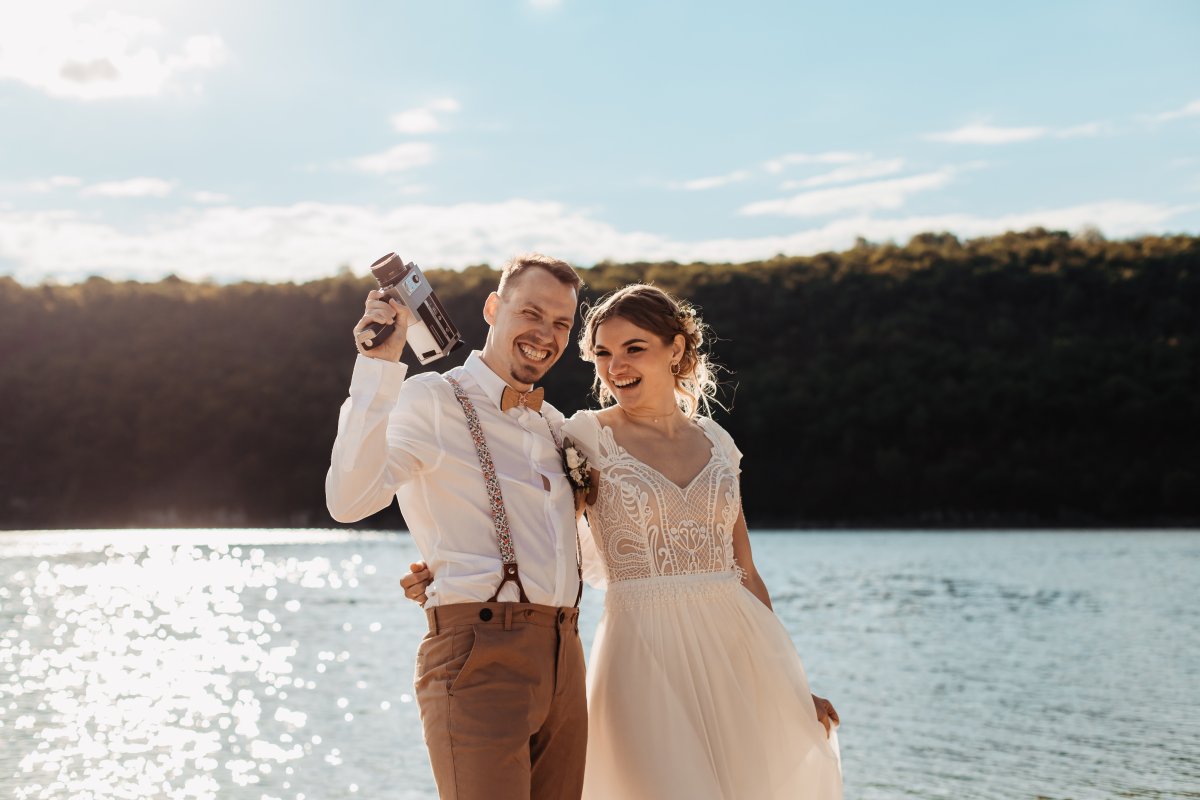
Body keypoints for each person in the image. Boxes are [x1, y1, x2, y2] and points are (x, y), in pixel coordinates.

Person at [404, 283, 844, 799]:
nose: (616, 368)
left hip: (735, 648)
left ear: (675, 350)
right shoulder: (582, 435)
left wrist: (789, 685)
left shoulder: (719, 442)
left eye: (634, 348)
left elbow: (744, 569)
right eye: (603, 355)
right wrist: (451, 564)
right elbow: (534, 523)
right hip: (644, 649)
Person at [326, 253, 588, 800]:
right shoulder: (433, 398)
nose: (546, 334)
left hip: (567, 657)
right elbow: (349, 502)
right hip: (479, 657)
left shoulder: (557, 426)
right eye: (531, 313)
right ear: (494, 308)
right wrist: (380, 365)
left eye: (562, 323)